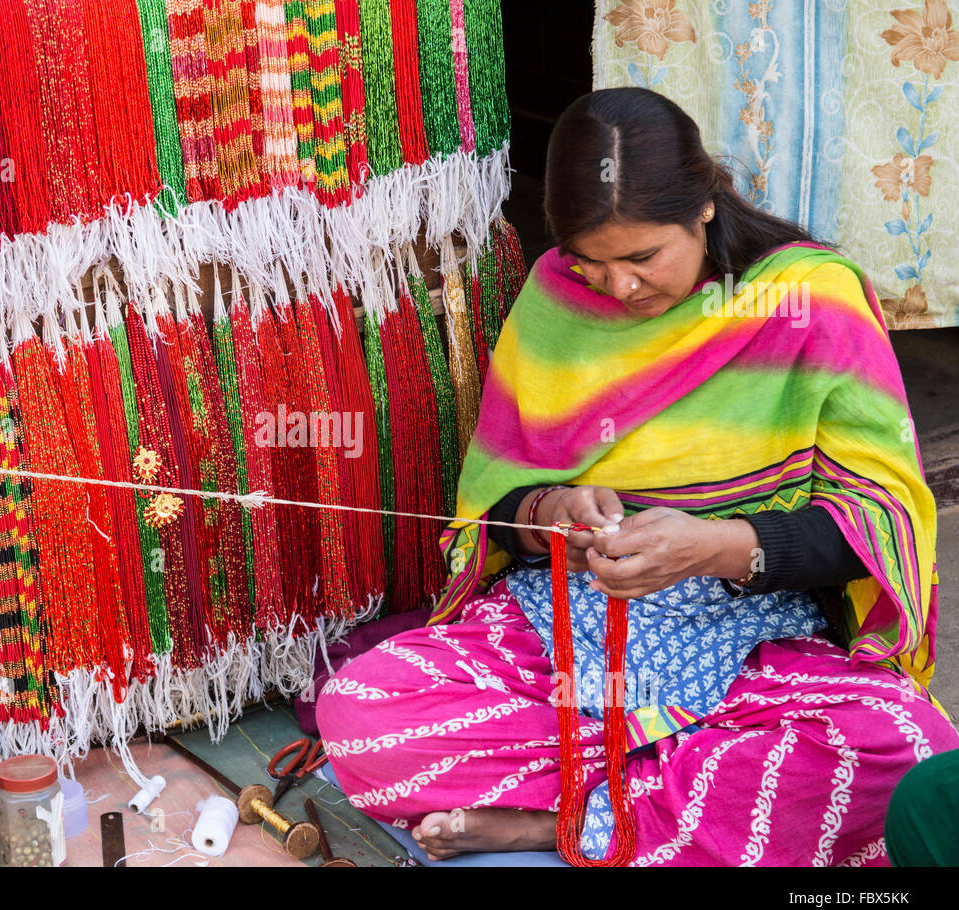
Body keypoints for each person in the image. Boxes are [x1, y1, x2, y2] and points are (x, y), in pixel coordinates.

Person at [315, 87, 959, 865]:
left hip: (756, 643)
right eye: (593, 262)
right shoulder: (555, 300)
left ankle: (555, 820)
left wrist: (717, 547)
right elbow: (497, 507)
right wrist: (550, 511)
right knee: (364, 711)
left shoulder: (809, 301)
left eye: (643, 257)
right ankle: (677, 798)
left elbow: (876, 526)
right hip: (567, 631)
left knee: (901, 748)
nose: (619, 288)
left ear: (706, 208)